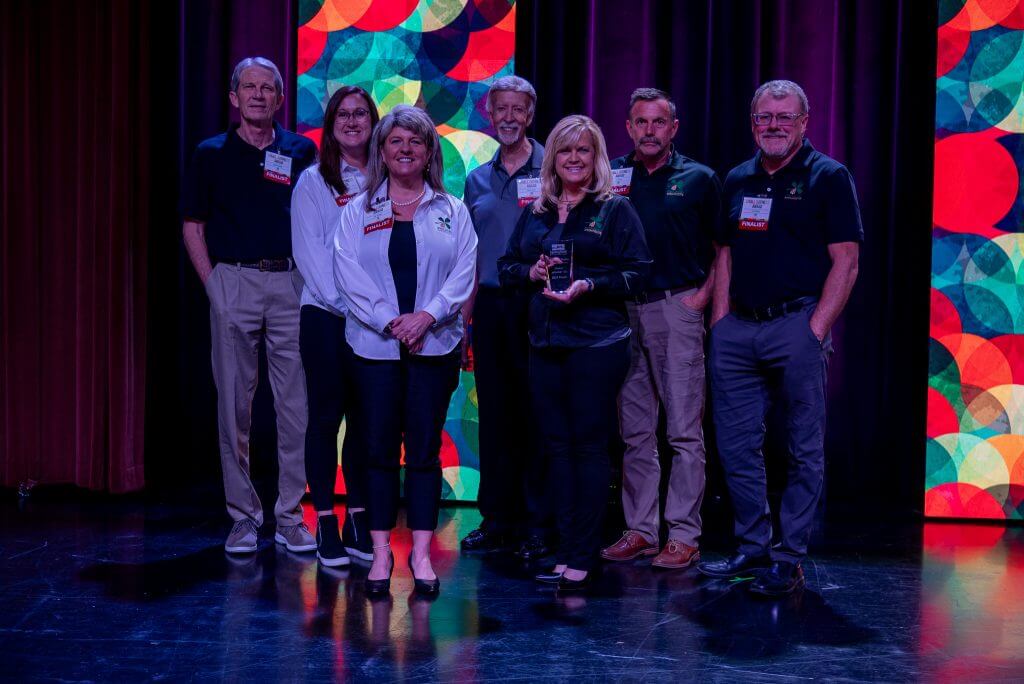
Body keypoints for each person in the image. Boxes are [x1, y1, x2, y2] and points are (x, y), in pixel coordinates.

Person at [698, 80, 862, 595]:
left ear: (804, 122)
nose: (773, 125)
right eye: (764, 117)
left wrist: (816, 329)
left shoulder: (828, 176)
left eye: (784, 117)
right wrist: (720, 322)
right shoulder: (737, 178)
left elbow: (847, 262)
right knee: (736, 446)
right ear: (753, 123)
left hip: (797, 324)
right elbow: (724, 253)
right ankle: (752, 546)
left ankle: (788, 556)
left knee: (802, 447)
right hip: (738, 329)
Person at [498, 115, 651, 591]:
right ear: (552, 159)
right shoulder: (537, 211)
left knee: (588, 447)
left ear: (597, 157)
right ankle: (564, 549)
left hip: (596, 344)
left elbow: (638, 273)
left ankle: (583, 552)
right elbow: (506, 266)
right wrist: (531, 272)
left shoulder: (615, 209)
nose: (574, 158)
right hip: (545, 342)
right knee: (556, 448)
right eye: (565, 151)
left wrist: (589, 284)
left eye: (583, 150)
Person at [334, 105, 477, 596]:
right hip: (373, 349)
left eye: (416, 141)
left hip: (433, 348)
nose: (405, 149)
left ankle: (420, 554)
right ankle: (380, 554)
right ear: (382, 150)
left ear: (429, 152)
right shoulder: (358, 210)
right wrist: (389, 321)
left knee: (422, 452)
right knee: (376, 451)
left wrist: (427, 316)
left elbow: (464, 271)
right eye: (396, 141)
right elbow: (347, 272)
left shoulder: (452, 210)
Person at [181, 57, 318, 554]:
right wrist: (214, 286)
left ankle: (289, 517)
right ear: (234, 97)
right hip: (233, 281)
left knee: (296, 407)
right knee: (233, 406)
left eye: (267, 88)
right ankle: (242, 517)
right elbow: (192, 226)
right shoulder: (210, 153)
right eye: (249, 87)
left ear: (280, 98)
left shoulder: (301, 151)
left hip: (290, 283)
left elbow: (318, 217)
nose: (258, 95)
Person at [601, 88, 722, 570]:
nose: (649, 131)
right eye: (640, 122)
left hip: (676, 308)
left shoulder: (699, 178)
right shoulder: (611, 175)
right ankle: (641, 530)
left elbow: (724, 248)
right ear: (628, 127)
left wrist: (701, 300)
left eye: (658, 122)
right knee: (634, 431)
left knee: (684, 432)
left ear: (674, 128)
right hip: (621, 312)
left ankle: (684, 534)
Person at [460, 76, 550, 558]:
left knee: (536, 413)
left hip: (538, 302)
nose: (509, 118)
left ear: (529, 114)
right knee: (494, 415)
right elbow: (469, 257)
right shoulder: (476, 178)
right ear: (489, 115)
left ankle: (537, 523)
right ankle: (496, 519)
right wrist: (466, 320)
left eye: (518, 109)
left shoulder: (553, 168)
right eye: (502, 110)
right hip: (492, 307)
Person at [291, 86, 380, 567]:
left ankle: (358, 516)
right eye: (342, 114)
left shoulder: (387, 178)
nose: (351, 121)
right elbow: (310, 257)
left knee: (365, 422)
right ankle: (325, 517)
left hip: (375, 322)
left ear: (373, 121)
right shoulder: (313, 181)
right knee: (326, 420)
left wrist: (378, 312)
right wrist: (355, 307)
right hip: (327, 317)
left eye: (360, 113)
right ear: (330, 125)